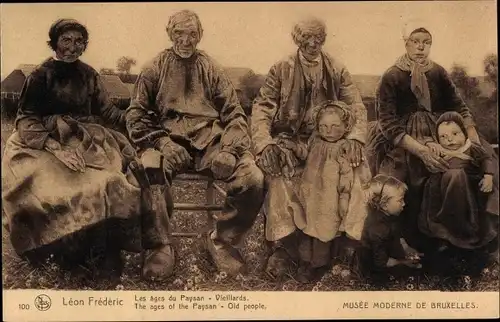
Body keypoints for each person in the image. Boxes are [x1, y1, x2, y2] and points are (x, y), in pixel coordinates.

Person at [1, 19, 172, 280]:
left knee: (110, 181)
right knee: (55, 188)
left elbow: (109, 112)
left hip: (87, 141)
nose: (72, 47)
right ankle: (60, 252)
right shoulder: (40, 75)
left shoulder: (90, 74)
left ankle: (103, 250)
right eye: (66, 40)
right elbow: (26, 119)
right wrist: (57, 148)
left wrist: (139, 119)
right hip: (41, 143)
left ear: (84, 46)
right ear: (55, 43)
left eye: (78, 41)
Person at [125, 10, 265, 277]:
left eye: (192, 34)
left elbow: (235, 113)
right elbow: (136, 115)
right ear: (169, 34)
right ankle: (159, 246)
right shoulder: (154, 68)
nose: (186, 40)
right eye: (179, 33)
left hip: (211, 142)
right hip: (168, 142)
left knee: (253, 179)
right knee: (148, 170)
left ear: (200, 35)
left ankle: (221, 240)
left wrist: (229, 150)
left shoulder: (212, 68)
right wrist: (163, 143)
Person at [366, 21, 499, 256]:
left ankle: (462, 236)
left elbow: (459, 106)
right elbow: (387, 122)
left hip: (441, 130)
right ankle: (407, 242)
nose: (420, 47)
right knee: (401, 176)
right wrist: (420, 150)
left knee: (481, 160)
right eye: (415, 42)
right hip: (404, 138)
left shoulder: (437, 71)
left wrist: (472, 137)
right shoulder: (392, 75)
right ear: (405, 43)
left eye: (426, 43)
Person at [251, 17, 368, 279]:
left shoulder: (336, 68)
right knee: (279, 177)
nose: (313, 44)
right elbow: (262, 107)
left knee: (355, 173)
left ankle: (347, 246)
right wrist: (265, 143)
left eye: (319, 38)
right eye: (307, 38)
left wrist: (356, 138)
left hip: (329, 140)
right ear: (297, 39)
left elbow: (357, 105)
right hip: (289, 142)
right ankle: (286, 248)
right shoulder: (282, 68)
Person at [281, 101, 371, 282]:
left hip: (330, 197)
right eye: (323, 126)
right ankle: (305, 262)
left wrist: (344, 197)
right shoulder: (316, 141)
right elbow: (306, 155)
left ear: (346, 127)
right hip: (311, 193)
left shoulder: (344, 148)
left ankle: (319, 266)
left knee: (324, 231)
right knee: (306, 228)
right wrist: (294, 147)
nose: (328, 131)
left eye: (334, 126)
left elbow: (347, 175)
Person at [418, 112, 499, 255]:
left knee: (478, 204)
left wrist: (488, 176)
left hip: (470, 185)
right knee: (448, 190)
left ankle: (474, 239)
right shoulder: (440, 150)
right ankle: (446, 238)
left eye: (455, 133)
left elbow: (486, 159)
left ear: (464, 133)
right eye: (443, 136)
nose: (450, 139)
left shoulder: (471, 148)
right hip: (445, 188)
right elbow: (430, 164)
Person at [360, 175, 423, 283]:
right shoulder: (377, 228)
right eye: (400, 200)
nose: (404, 204)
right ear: (384, 205)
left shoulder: (391, 215)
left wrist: (406, 248)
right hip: (377, 263)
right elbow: (381, 262)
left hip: (387, 251)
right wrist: (403, 262)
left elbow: (397, 233)